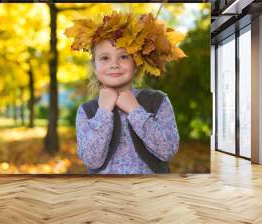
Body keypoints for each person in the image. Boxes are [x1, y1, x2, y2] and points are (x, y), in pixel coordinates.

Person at [65, 11, 186, 174]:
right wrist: (104, 112)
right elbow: (91, 159)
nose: (114, 64)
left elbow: (168, 150)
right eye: (105, 58)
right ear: (95, 67)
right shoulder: (87, 111)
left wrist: (136, 111)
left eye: (123, 57)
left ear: (136, 63)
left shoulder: (157, 101)